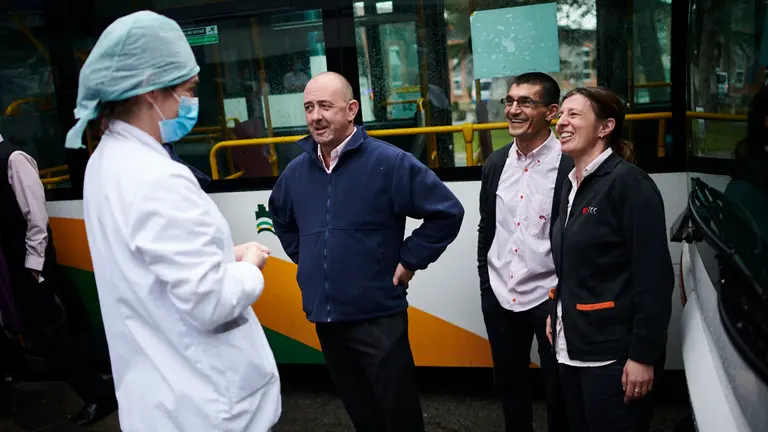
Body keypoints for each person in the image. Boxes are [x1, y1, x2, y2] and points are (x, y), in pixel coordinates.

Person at [66, 11, 281, 431]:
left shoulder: (105, 162)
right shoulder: (157, 177)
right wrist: (249, 264)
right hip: (206, 406)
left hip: (160, 400)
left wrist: (222, 254)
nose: (191, 100)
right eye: (188, 88)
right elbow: (211, 301)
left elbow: (150, 264)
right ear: (150, 89)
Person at [268, 71, 464, 432]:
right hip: (326, 317)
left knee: (398, 415)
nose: (316, 116)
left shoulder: (389, 162)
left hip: (378, 315)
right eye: (309, 107)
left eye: (326, 106)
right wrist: (305, 255)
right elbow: (279, 216)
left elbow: (447, 212)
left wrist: (409, 260)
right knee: (362, 413)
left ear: (351, 109)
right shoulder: (296, 172)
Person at [547, 86, 674, 432]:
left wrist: (643, 356)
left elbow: (654, 278)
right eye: (561, 115)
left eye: (575, 115)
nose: (562, 122)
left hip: (613, 358)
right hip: (571, 349)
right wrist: (556, 310)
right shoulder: (570, 183)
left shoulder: (629, 185)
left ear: (606, 127)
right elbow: (574, 263)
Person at [0, 135, 118, 425]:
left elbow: (37, 218)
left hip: (32, 266)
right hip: (16, 268)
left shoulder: (14, 159)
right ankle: (99, 385)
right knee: (55, 329)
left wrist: (35, 268)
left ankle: (97, 395)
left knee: (51, 333)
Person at [477, 72, 571, 432]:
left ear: (551, 111)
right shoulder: (496, 164)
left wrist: (564, 297)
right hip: (502, 297)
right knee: (510, 389)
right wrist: (487, 289)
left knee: (559, 390)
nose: (514, 110)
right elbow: (488, 230)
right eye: (510, 101)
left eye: (525, 102)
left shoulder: (567, 163)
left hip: (550, 299)